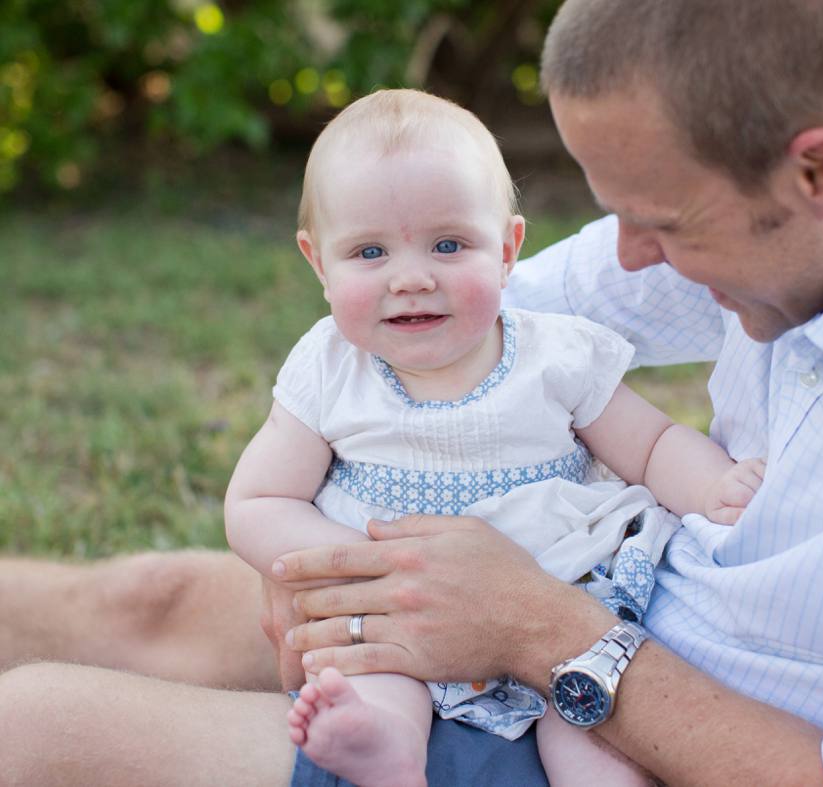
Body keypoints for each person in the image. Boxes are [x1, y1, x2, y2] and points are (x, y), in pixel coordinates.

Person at [0, 0, 823, 785]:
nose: (624, 258)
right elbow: (521, 318)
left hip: (615, 737)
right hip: (566, 588)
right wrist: (312, 563)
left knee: (40, 728)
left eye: (658, 221)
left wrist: (538, 628)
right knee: (145, 599)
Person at [225, 86, 763, 787]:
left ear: (508, 249)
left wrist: (713, 485)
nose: (411, 278)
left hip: (562, 593)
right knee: (379, 683)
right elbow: (259, 500)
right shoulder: (328, 369)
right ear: (318, 263)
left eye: (449, 245)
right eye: (369, 252)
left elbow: (653, 443)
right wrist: (362, 568)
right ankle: (385, 749)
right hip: (399, 610)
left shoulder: (555, 354)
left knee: (591, 730)